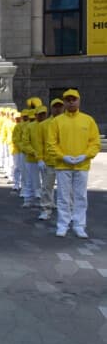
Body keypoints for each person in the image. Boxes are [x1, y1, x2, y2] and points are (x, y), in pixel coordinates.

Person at [47, 88, 100, 238]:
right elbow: (51, 143)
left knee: (80, 197)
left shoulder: (88, 120)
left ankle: (79, 225)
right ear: (64, 102)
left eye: (73, 99)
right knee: (63, 197)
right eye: (68, 100)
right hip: (63, 165)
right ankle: (63, 225)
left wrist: (86, 155)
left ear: (79, 101)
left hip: (82, 165)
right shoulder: (57, 121)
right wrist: (63, 156)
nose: (71, 102)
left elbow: (95, 142)